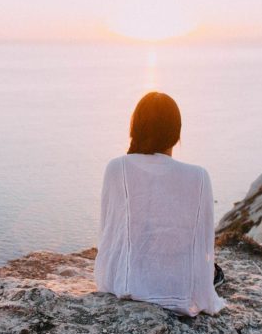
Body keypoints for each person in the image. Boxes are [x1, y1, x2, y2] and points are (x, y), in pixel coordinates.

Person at [94, 92, 226, 316]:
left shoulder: (116, 168)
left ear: (135, 128)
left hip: (127, 282)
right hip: (179, 284)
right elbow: (203, 242)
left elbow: (109, 235)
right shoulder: (199, 176)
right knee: (214, 272)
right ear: (176, 134)